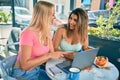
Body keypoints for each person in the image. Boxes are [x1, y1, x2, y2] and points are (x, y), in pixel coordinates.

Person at [12, 1, 64, 80]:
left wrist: (70, 55)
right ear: (44, 16)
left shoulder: (46, 32)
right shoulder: (28, 33)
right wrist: (49, 55)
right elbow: (24, 65)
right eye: (52, 14)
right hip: (23, 75)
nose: (55, 17)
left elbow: (52, 54)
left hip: (36, 70)